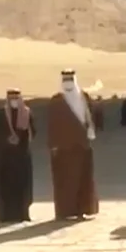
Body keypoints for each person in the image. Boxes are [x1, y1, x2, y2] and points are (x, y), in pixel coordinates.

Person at [48, 69, 100, 220]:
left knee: (83, 179)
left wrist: (91, 129)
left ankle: (82, 210)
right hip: (64, 148)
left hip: (82, 146)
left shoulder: (83, 97)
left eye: (70, 80)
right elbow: (52, 124)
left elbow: (92, 116)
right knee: (65, 181)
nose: (68, 83)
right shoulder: (56, 100)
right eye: (65, 80)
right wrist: (53, 144)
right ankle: (65, 211)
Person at [0, 88, 35, 222]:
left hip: (22, 156)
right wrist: (7, 140)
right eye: (11, 99)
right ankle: (4, 216)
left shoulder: (26, 113)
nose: (14, 101)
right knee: (5, 187)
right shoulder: (1, 114)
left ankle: (23, 214)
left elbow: (32, 131)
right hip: (6, 158)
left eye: (16, 98)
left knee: (22, 186)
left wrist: (21, 139)